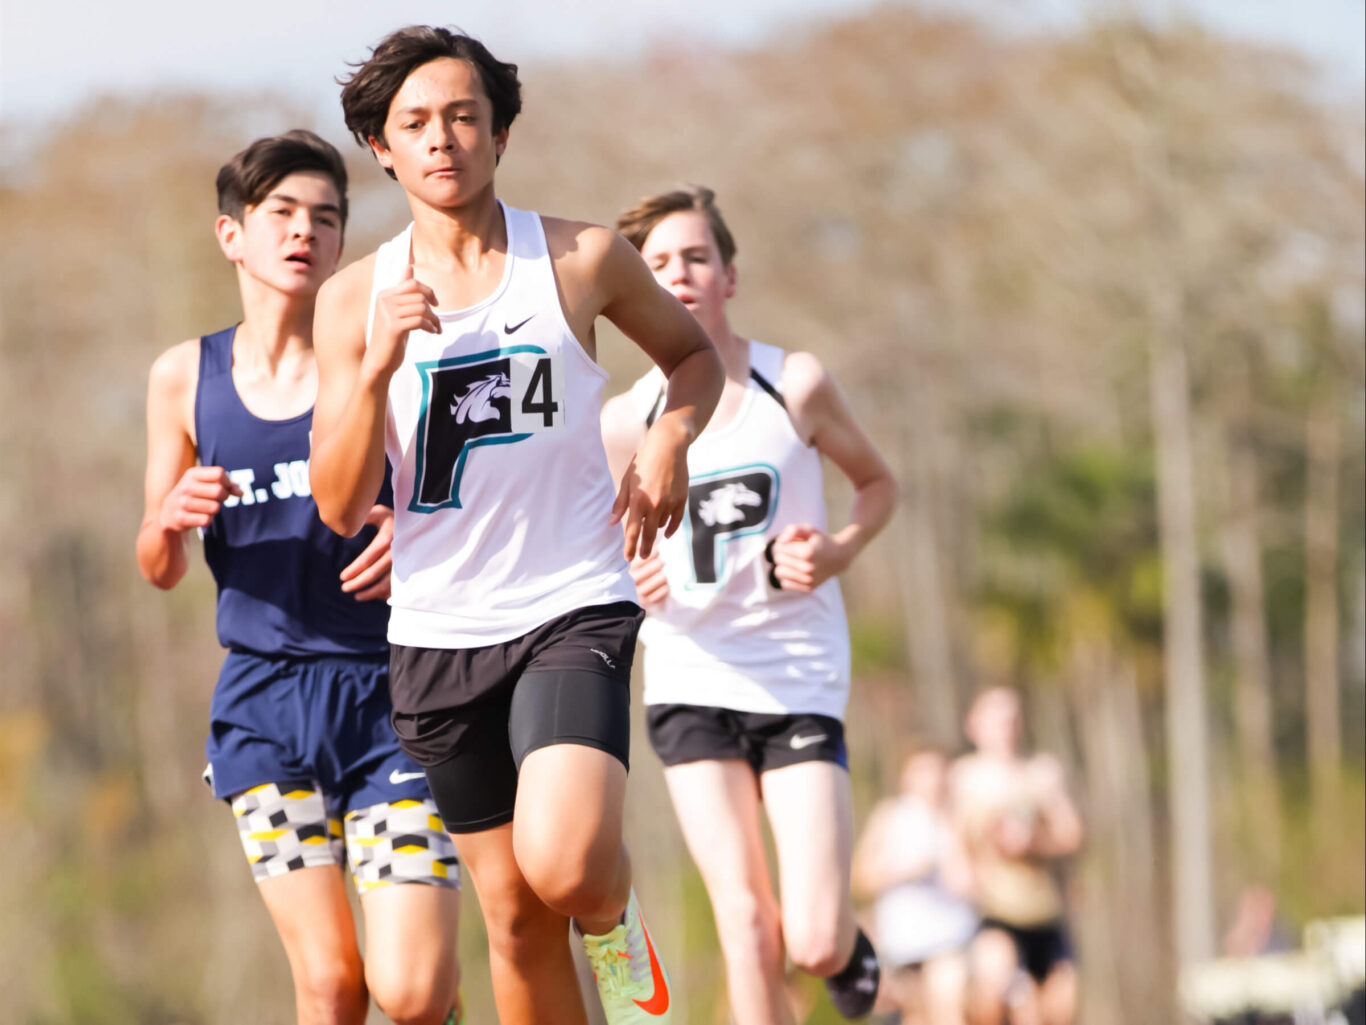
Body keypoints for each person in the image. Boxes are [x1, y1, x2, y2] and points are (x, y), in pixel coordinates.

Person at [309, 27, 724, 1025]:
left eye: (463, 115)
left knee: (567, 863)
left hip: (570, 599)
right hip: (439, 630)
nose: (442, 138)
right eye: (415, 123)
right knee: (511, 914)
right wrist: (372, 366)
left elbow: (694, 360)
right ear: (382, 146)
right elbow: (336, 499)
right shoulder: (351, 297)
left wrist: (668, 441)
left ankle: (615, 915)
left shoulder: (580, 257)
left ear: (501, 131)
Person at [136, 130, 462, 1025]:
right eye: (281, 213)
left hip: (395, 698)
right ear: (231, 233)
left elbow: (461, 498)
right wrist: (165, 518)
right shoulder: (184, 378)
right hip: (262, 705)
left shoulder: (377, 360)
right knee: (328, 984)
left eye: (324, 217)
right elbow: (158, 567)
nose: (303, 233)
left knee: (415, 992)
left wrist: (418, 531)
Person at [600, 185, 898, 1022]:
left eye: (697, 257)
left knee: (808, 940)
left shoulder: (793, 383)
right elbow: (587, 542)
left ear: (729, 275)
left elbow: (879, 484)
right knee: (744, 921)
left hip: (796, 673)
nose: (680, 275)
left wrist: (837, 550)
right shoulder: (629, 419)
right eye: (657, 265)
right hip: (691, 673)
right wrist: (632, 585)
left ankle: (848, 949)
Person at [950, 688, 1083, 1025]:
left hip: (1043, 909)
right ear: (974, 725)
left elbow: (1073, 835)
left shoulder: (1041, 772)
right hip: (994, 910)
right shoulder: (964, 778)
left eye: (1012, 717)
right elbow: (953, 841)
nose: (1006, 726)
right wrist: (964, 875)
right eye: (997, 718)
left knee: (1060, 1010)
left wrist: (1034, 842)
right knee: (996, 998)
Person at [852, 745, 977, 1025]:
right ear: (905, 776)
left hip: (950, 939)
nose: (931, 779)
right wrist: (904, 871)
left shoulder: (956, 818)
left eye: (936, 770)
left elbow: (971, 884)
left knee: (948, 1008)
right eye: (922, 771)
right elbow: (860, 879)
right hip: (900, 946)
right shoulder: (890, 816)